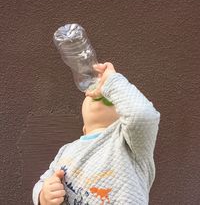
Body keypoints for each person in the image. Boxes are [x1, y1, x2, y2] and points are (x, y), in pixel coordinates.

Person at [32, 62, 160, 205]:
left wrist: (112, 81)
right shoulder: (66, 151)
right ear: (84, 129)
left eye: (109, 94)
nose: (99, 91)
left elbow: (142, 116)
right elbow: (42, 182)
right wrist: (44, 196)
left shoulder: (129, 141)